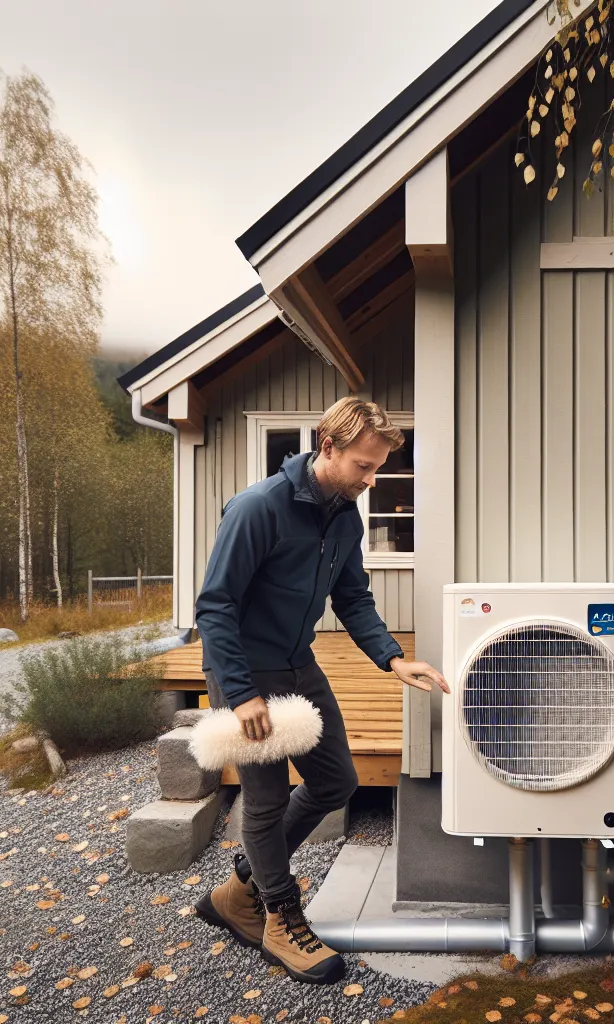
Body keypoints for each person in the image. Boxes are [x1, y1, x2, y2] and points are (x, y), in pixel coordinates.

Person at [191, 397, 449, 985]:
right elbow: (215, 604)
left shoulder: (344, 514)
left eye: (377, 466)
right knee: (266, 798)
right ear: (327, 447)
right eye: (364, 464)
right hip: (244, 674)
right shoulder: (259, 508)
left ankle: (240, 891)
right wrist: (240, 691)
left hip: (298, 664)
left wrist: (392, 659)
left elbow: (353, 597)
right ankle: (280, 915)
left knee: (337, 780)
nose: (371, 478)